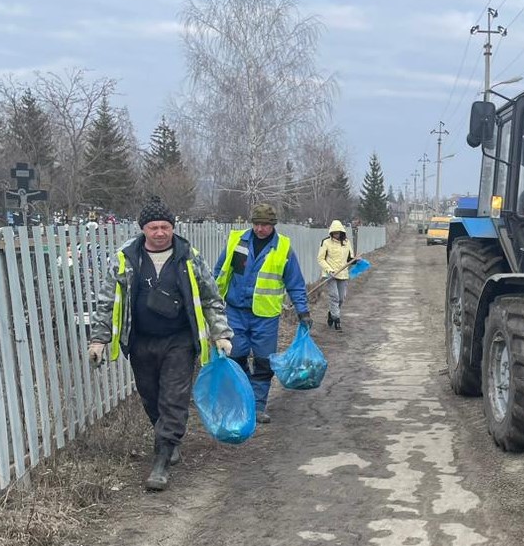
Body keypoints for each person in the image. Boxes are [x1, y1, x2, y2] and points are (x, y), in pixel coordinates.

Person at [88, 196, 232, 491]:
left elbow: (210, 296)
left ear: (172, 227)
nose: (159, 232)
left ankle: (162, 458)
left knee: (174, 398)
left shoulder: (188, 256)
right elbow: (106, 301)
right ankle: (169, 436)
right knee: (150, 396)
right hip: (141, 340)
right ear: (143, 229)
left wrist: (221, 333)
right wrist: (98, 340)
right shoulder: (127, 258)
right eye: (153, 227)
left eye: (165, 226)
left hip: (179, 340)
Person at [214, 203, 311, 424]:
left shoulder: (283, 248)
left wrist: (302, 310)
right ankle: (245, 397)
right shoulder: (237, 241)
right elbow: (220, 271)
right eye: (257, 224)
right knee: (235, 356)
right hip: (236, 311)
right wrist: (212, 304)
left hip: (265, 316)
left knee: (263, 361)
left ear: (272, 225)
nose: (260, 229)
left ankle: (258, 406)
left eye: (265, 225)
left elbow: (295, 283)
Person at [317, 220, 356, 331]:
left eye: (338, 233)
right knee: (334, 297)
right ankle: (337, 320)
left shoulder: (347, 242)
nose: (336, 235)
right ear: (331, 232)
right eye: (334, 233)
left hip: (343, 274)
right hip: (330, 274)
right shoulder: (326, 242)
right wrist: (329, 270)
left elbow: (349, 258)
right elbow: (320, 259)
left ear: (341, 232)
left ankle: (332, 313)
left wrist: (356, 260)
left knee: (341, 298)